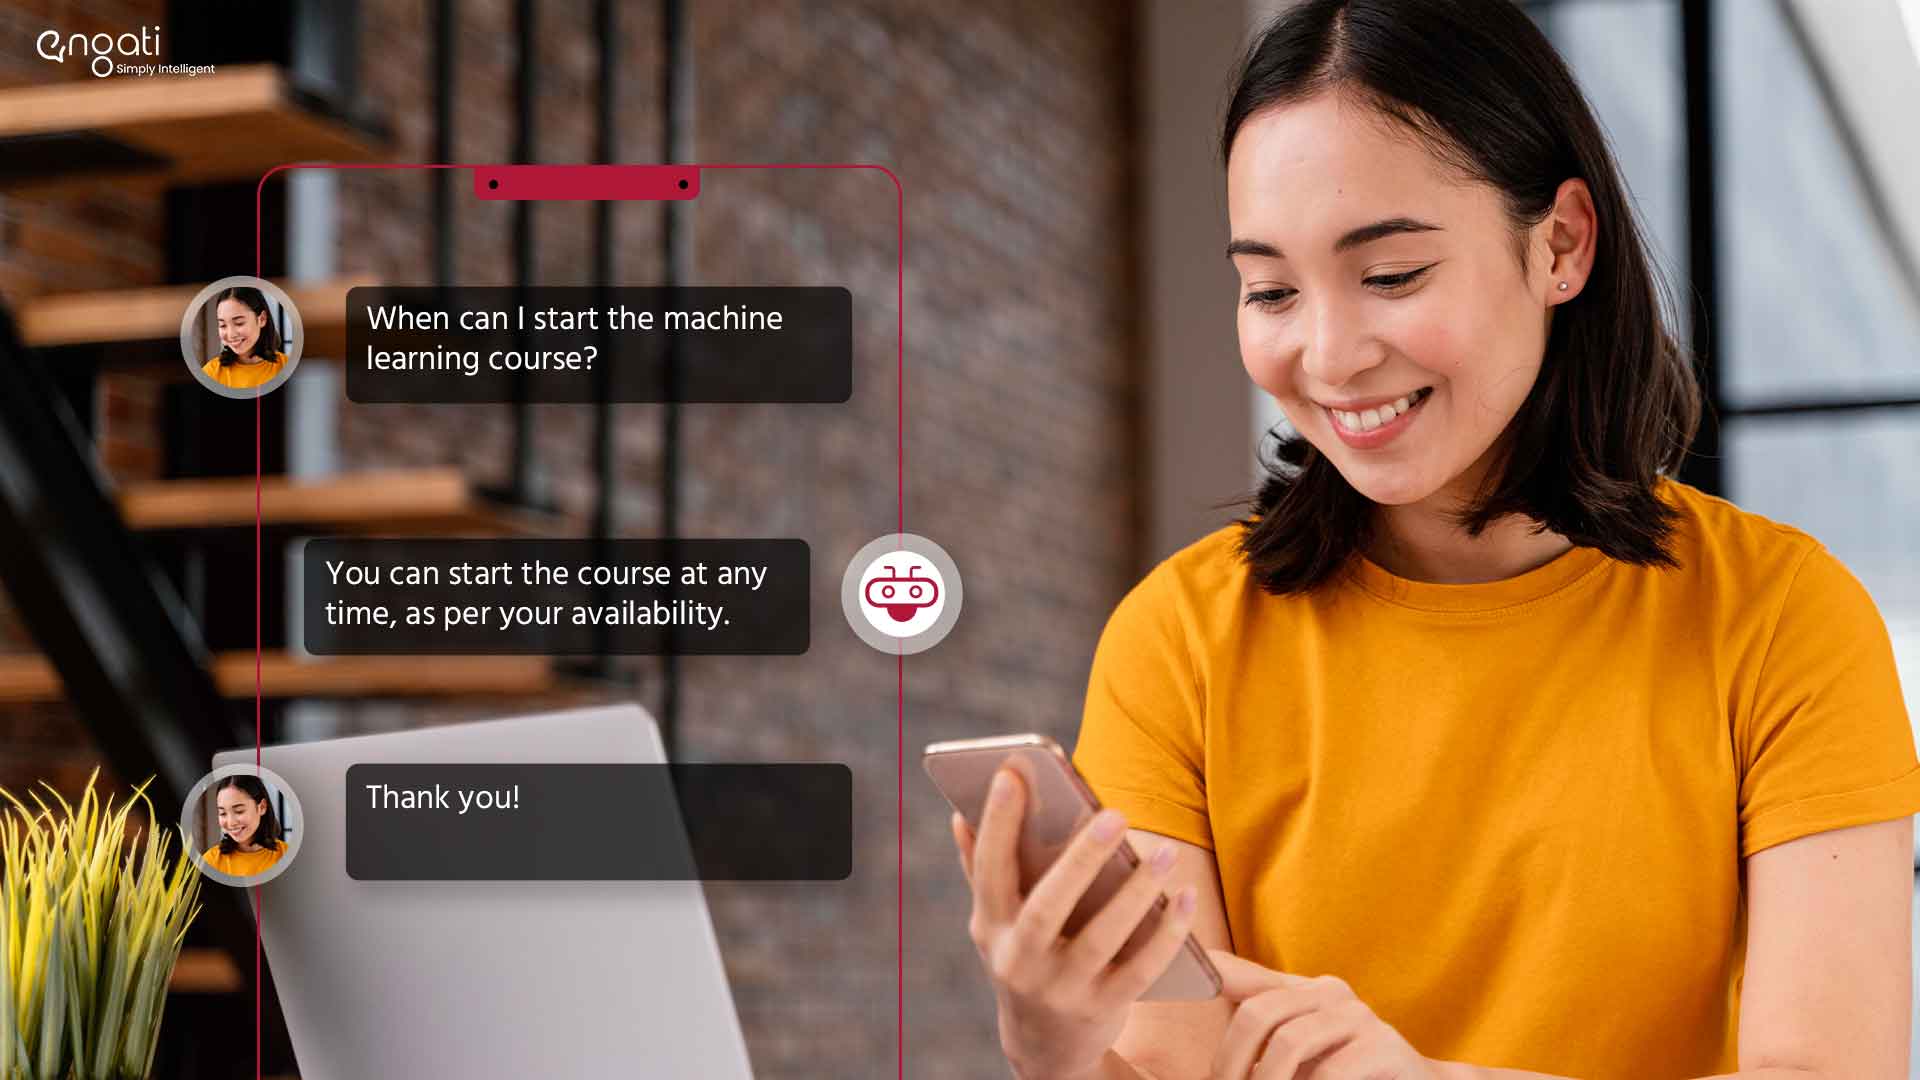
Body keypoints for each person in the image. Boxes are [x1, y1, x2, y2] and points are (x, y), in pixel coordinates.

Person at [950, 2, 1920, 1078]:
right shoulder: (1178, 643)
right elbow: (1176, 1068)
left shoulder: (1781, 618)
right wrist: (1051, 1047)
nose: (1327, 354)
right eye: (1269, 289)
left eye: (1391, 274)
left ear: (1560, 243)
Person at [199, 285, 288, 390]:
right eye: (223, 325)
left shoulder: (285, 366)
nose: (231, 334)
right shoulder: (210, 373)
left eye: (239, 323)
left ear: (262, 319)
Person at [203, 774, 288, 878]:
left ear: (262, 807)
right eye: (223, 813)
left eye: (239, 811)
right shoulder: (211, 861)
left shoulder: (286, 855)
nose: (230, 823)